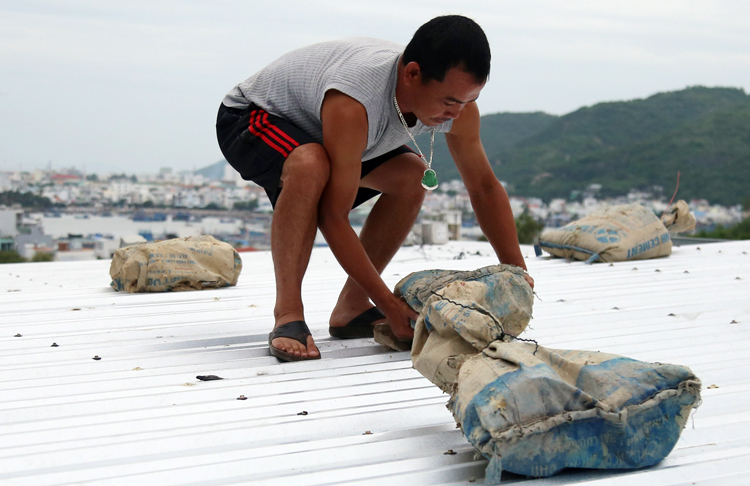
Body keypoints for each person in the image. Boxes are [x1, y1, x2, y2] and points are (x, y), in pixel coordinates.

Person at [216, 15, 534, 362]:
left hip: (332, 136)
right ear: (412, 74)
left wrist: (517, 275)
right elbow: (333, 216)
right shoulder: (355, 101)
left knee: (413, 176)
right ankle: (288, 314)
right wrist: (389, 304)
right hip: (253, 115)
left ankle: (351, 309)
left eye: (467, 101)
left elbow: (484, 188)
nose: (456, 114)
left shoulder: (458, 109)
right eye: (448, 101)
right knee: (310, 164)